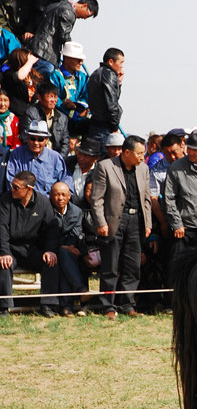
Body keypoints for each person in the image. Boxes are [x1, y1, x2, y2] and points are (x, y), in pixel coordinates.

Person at [90, 135, 151, 317]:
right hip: (113, 222)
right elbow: (97, 199)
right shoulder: (105, 167)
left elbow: (146, 199)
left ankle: (128, 304)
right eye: (139, 153)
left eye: (144, 153)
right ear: (126, 152)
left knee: (132, 266)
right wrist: (101, 222)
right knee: (110, 266)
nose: (142, 157)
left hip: (136, 222)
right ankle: (108, 306)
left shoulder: (144, 169)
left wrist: (147, 223)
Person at [0, 170, 60, 315]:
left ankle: (47, 305)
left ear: (29, 189)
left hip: (33, 249)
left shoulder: (44, 203)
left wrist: (50, 250)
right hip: (11, 249)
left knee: (51, 261)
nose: (12, 189)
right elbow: (1, 228)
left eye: (16, 187)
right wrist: (4, 252)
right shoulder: (5, 200)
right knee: (3, 264)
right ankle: (3, 307)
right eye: (11, 185)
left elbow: (52, 230)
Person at [162, 128, 197, 249]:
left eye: (195, 150)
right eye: (190, 148)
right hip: (183, 229)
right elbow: (169, 198)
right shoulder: (176, 168)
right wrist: (177, 224)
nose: (191, 152)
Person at [22, 0, 98, 77]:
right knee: (41, 81)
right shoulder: (69, 12)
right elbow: (64, 36)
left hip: (37, 48)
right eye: (89, 15)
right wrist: (75, 52)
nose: (85, 18)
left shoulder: (60, 4)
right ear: (85, 6)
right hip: (46, 53)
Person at [6, 119, 72, 195]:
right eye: (32, 138)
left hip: (48, 203)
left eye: (40, 139)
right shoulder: (16, 154)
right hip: (21, 200)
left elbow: (65, 181)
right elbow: (10, 181)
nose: (36, 143)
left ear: (46, 140)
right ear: (27, 138)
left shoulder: (55, 158)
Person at [50, 180, 86, 315]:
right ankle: (80, 290)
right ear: (51, 196)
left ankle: (66, 307)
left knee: (64, 256)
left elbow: (76, 233)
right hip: (49, 248)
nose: (60, 198)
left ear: (69, 196)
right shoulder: (47, 210)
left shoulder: (76, 211)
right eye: (57, 194)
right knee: (63, 254)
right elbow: (46, 234)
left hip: (72, 248)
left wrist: (68, 247)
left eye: (64, 195)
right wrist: (64, 247)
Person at [21, 80, 70, 156]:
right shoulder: (30, 114)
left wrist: (59, 160)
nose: (53, 100)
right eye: (50, 96)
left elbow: (65, 143)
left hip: (55, 157)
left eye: (55, 97)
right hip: (35, 155)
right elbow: (26, 139)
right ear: (39, 97)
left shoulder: (62, 118)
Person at [87, 47, 124, 143]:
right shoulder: (109, 74)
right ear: (111, 62)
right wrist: (114, 127)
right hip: (104, 128)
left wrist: (119, 83)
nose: (122, 66)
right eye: (121, 62)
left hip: (96, 125)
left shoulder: (96, 73)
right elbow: (111, 104)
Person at [51, 41, 90, 132]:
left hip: (81, 120)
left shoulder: (83, 77)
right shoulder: (55, 76)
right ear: (67, 59)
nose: (81, 62)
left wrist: (78, 107)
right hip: (60, 121)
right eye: (78, 59)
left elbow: (86, 96)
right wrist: (71, 111)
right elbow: (55, 100)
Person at [65, 136, 101, 207]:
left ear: (96, 158)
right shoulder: (67, 164)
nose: (81, 158)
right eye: (80, 153)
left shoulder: (100, 172)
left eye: (86, 156)